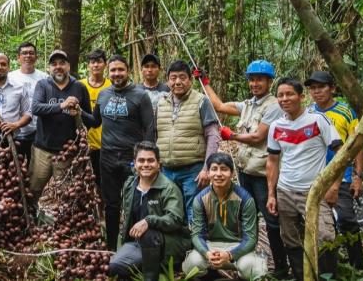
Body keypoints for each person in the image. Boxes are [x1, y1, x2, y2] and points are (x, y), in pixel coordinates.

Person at [203, 59, 288, 276]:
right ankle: (242, 264)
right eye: (252, 79)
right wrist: (204, 82)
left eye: (260, 79)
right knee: (244, 219)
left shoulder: (274, 106)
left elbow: (259, 136)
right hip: (244, 173)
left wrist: (233, 136)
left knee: (271, 222)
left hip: (263, 175)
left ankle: (280, 267)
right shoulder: (248, 105)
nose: (255, 83)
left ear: (269, 81)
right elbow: (220, 106)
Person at [267, 78, 343, 280]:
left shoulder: (318, 120)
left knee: (325, 237)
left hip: (314, 191)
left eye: (289, 94)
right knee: (290, 238)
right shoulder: (276, 126)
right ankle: (302, 277)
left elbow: (341, 153)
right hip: (285, 191)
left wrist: (334, 186)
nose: (285, 99)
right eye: (281, 95)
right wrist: (271, 194)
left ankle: (327, 277)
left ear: (301, 97)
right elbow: (272, 161)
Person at [89, 55, 156, 250]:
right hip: (107, 157)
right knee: (111, 205)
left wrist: (146, 159)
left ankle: (133, 246)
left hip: (131, 158)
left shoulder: (140, 95)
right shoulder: (103, 94)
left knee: (135, 202)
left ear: (128, 71)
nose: (117, 74)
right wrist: (78, 110)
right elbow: (94, 122)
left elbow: (149, 129)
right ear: (108, 72)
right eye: (113, 70)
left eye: (121, 70)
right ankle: (111, 247)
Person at [305, 70, 363, 269]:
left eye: (321, 87)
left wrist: (358, 176)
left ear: (332, 88)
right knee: (319, 222)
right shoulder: (308, 113)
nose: (316, 92)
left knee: (347, 220)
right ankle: (325, 265)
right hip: (313, 176)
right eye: (312, 88)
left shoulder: (346, 112)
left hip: (341, 176)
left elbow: (357, 146)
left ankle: (358, 267)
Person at [108, 141, 189, 281]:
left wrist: (149, 221)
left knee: (149, 233)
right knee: (115, 266)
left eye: (151, 160)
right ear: (135, 163)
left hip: (168, 244)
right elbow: (126, 219)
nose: (146, 164)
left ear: (158, 164)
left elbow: (175, 219)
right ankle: (144, 264)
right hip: (137, 244)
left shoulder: (169, 188)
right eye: (141, 160)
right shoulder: (129, 185)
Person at [182, 153, 267, 280]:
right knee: (193, 264)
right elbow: (196, 234)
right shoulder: (200, 199)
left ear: (232, 173)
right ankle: (210, 276)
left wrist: (229, 255)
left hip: (238, 246)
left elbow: (250, 238)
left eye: (224, 169)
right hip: (210, 246)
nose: (218, 174)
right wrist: (207, 253)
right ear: (208, 173)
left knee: (251, 269)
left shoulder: (245, 199)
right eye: (214, 169)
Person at [155, 60, 220, 220]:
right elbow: (155, 134)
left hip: (193, 170)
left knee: (194, 212)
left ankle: (196, 245)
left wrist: (206, 168)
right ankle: (177, 245)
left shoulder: (201, 101)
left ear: (190, 80)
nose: (177, 82)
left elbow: (213, 135)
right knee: (171, 211)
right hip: (166, 169)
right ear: (167, 80)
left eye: (182, 77)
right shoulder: (161, 102)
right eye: (173, 78)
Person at [29, 50, 97, 199]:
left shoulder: (79, 87)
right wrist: (62, 106)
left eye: (62, 63)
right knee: (33, 190)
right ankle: (31, 220)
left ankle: (62, 221)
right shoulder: (43, 85)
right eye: (54, 64)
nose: (58, 67)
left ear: (68, 66)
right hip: (43, 151)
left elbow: (91, 121)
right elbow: (36, 108)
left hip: (67, 154)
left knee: (67, 196)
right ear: (49, 68)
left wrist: (79, 112)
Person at [7, 42, 49, 162]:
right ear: (18, 57)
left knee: (35, 168)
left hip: (37, 131)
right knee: (14, 168)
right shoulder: (10, 77)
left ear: (36, 57)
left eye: (31, 53)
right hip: (14, 130)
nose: (28, 56)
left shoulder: (44, 78)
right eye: (24, 53)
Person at [79, 49, 111, 186]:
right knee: (83, 184)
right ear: (88, 66)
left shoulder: (111, 85)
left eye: (99, 62)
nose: (96, 65)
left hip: (106, 144)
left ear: (105, 64)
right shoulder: (79, 85)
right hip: (83, 143)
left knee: (103, 183)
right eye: (92, 62)